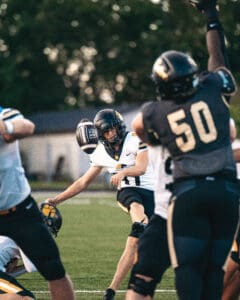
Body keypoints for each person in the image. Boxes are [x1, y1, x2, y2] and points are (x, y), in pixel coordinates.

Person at [127, 1, 239, 299]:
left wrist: (156, 138)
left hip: (182, 200)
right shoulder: (213, 89)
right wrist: (211, 14)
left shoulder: (155, 113)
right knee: (212, 273)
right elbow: (218, 59)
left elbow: (139, 127)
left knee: (174, 276)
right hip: (225, 193)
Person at [47, 109, 155, 300]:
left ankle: (111, 290)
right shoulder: (100, 153)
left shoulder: (136, 138)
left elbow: (141, 167)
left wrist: (122, 172)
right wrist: (58, 199)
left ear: (119, 126)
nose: (111, 134)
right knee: (137, 211)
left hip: (153, 194)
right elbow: (82, 182)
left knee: (135, 244)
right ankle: (139, 222)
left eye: (112, 129)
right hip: (129, 193)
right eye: (106, 132)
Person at [0, 106, 75, 300]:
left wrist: (5, 127)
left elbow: (26, 127)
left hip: (19, 209)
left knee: (54, 269)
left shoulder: (3, 114)